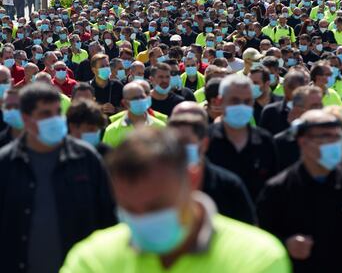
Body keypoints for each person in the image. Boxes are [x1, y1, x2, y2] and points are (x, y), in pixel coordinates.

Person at [60, 127, 291, 272]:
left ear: (192, 179)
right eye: (129, 210)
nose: (144, 219)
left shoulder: (257, 256)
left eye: (157, 206)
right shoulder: (92, 258)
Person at [0, 82, 116, 273]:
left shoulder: (86, 158)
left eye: (57, 113)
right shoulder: (6, 164)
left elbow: (108, 219)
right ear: (26, 118)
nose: (54, 120)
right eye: (46, 114)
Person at [257, 109, 342, 273]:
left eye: (336, 137)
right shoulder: (278, 189)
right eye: (325, 137)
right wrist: (285, 244)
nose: (333, 143)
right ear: (303, 142)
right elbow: (260, 241)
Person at [168, 102, 256, 224]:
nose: (179, 148)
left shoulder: (229, 186)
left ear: (204, 143)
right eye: (174, 142)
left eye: (185, 142)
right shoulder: (153, 185)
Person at [206, 74, 277, 200]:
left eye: (247, 101)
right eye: (235, 101)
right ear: (219, 101)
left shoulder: (265, 141)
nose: (241, 106)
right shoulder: (205, 140)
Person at [103, 81, 164, 147]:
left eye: (142, 97)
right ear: (125, 103)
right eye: (135, 98)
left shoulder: (161, 127)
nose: (140, 100)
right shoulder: (112, 130)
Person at [260, 70, 308, 135]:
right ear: (284, 86)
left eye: (297, 87)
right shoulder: (270, 111)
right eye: (290, 86)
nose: (293, 91)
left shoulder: (310, 112)